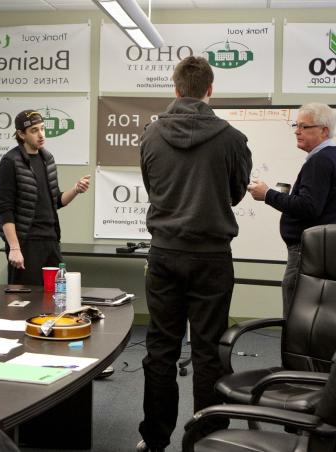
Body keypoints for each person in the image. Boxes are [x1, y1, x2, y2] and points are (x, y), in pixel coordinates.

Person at [137, 56, 252, 452]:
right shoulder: (233, 138)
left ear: (176, 89)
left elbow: (154, 189)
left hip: (165, 253)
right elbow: (235, 193)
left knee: (160, 350)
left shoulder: (150, 136)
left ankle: (154, 439)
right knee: (209, 351)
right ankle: (210, 439)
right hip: (211, 257)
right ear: (210, 90)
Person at [248, 103, 336, 316]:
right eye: (296, 125)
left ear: (324, 130)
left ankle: (292, 351)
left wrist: (267, 194)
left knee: (296, 316)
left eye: (304, 127)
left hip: (306, 252)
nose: (297, 131)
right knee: (312, 318)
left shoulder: (321, 161)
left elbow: (308, 207)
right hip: (322, 249)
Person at [0, 109, 90, 285]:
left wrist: (75, 190)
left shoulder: (47, 159)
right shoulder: (10, 162)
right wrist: (14, 248)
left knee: (56, 295)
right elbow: (4, 210)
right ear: (21, 134)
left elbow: (56, 201)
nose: (41, 134)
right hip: (26, 242)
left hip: (51, 240)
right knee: (23, 300)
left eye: (43, 128)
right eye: (34, 130)